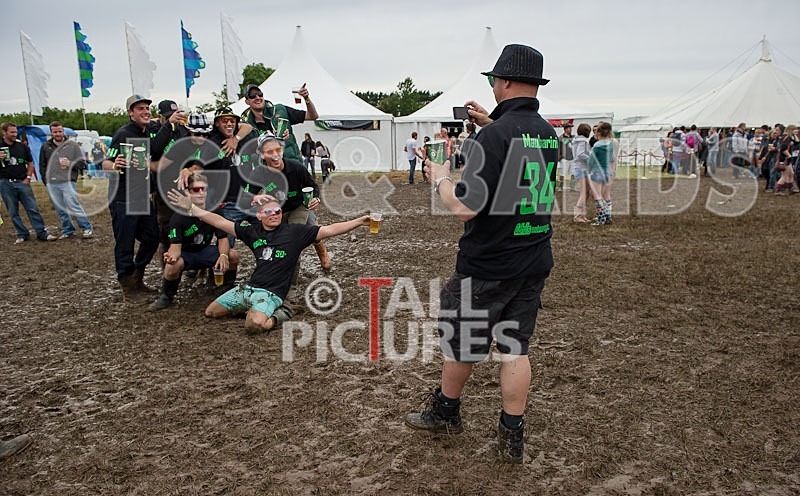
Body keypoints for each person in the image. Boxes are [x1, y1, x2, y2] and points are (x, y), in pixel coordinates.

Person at [411, 44, 557, 464]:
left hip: (489, 261)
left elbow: (465, 207)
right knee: (515, 348)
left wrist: (439, 178)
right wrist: (493, 124)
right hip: (533, 255)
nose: (493, 85)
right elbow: (519, 149)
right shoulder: (548, 133)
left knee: (461, 344)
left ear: (505, 82)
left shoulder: (489, 138)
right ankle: (512, 436)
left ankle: (446, 411)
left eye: (494, 79)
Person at [166, 192, 368, 333]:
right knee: (211, 312)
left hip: (271, 293)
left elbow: (331, 230)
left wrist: (359, 221)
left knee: (254, 327)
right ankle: (250, 307)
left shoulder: (295, 233)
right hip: (248, 289)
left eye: (277, 211)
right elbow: (220, 222)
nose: (274, 215)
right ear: (259, 215)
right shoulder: (252, 232)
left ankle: (282, 312)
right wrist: (192, 208)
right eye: (269, 212)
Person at [149, 173, 240, 310]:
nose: (201, 193)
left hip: (205, 251)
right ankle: (167, 296)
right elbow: (175, 247)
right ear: (188, 192)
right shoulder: (178, 217)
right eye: (196, 190)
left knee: (233, 255)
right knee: (171, 266)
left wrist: (223, 256)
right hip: (187, 254)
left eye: (204, 189)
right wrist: (171, 256)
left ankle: (226, 287)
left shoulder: (214, 209)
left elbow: (222, 238)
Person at [101, 95, 160, 303]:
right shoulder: (123, 134)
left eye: (147, 108)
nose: (145, 111)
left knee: (153, 237)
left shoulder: (149, 131)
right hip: (123, 198)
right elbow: (105, 164)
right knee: (124, 243)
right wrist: (115, 164)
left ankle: (137, 277)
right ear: (130, 113)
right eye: (140, 108)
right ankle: (128, 287)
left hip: (143, 196)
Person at [251, 132, 332, 273]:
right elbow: (246, 193)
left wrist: (316, 198)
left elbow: (313, 185)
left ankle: (321, 253)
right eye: (269, 151)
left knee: (295, 238)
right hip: (278, 211)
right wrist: (254, 198)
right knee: (279, 240)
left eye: (277, 149)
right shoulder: (259, 173)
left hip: (298, 206)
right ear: (262, 154)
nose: (275, 154)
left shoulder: (296, 167)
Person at [0, 122, 57, 244]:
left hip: (22, 182)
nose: (15, 134)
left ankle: (41, 232)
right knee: (12, 211)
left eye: (15, 132)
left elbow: (30, 163)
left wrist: (28, 177)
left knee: (32, 208)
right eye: (12, 132)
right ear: (4, 132)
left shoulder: (22, 147)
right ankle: (22, 233)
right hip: (5, 183)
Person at [38, 121, 93, 239]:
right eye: (55, 132)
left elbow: (81, 163)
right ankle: (68, 230)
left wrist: (70, 163)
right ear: (51, 132)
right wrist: (46, 181)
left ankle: (86, 227)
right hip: (52, 183)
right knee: (60, 208)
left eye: (60, 131)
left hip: (68, 181)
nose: (58, 134)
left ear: (63, 131)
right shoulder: (45, 147)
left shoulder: (73, 146)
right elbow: (42, 165)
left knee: (73, 205)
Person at [240, 83, 318, 162]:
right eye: (252, 96)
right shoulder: (246, 125)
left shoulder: (280, 110)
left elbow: (313, 116)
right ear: (247, 101)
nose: (257, 97)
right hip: (269, 169)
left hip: (293, 164)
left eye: (260, 94)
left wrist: (306, 98)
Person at [587, 121, 616, 225]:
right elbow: (612, 158)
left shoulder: (597, 145)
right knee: (605, 195)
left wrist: (588, 170)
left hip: (597, 171)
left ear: (598, 132)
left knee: (597, 196)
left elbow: (591, 161)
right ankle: (607, 215)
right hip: (607, 171)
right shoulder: (611, 143)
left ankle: (601, 219)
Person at [571, 123, 593, 222]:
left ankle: (581, 214)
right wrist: (591, 158)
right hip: (581, 168)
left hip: (580, 168)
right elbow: (580, 154)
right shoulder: (583, 141)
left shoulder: (576, 141)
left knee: (586, 192)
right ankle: (578, 215)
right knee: (583, 193)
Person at [557, 122, 575, 191]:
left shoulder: (574, 137)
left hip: (572, 158)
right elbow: (558, 148)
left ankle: (572, 187)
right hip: (564, 158)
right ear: (565, 129)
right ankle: (560, 187)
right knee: (562, 173)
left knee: (573, 173)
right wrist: (560, 157)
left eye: (571, 128)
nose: (570, 129)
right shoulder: (561, 138)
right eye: (569, 128)